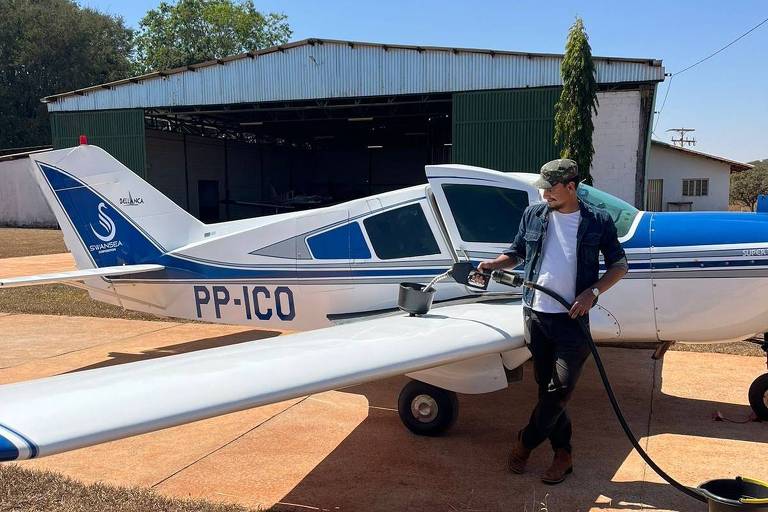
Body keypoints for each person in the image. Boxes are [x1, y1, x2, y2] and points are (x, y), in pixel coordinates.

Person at [477, 158, 628, 484]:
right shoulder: (533, 214)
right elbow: (516, 252)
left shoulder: (597, 221)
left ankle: (525, 443)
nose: (544, 194)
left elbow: (620, 265)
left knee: (559, 390)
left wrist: (593, 292)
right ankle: (564, 454)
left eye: (550, 189)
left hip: (572, 322)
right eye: (542, 189)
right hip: (536, 315)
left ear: (571, 186)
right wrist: (493, 263)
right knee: (546, 391)